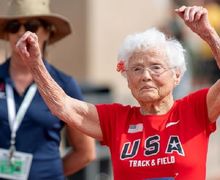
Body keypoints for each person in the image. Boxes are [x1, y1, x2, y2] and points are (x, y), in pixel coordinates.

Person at [16, 5, 220, 180]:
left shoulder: (194, 110)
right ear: (128, 79)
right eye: (137, 69)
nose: (145, 76)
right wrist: (35, 64)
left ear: (177, 75)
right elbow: (63, 106)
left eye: (156, 67)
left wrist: (208, 35)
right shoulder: (116, 120)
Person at [0, 0, 95, 179]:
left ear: (47, 32)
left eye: (31, 26)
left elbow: (85, 152)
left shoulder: (64, 85)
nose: (21, 32)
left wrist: (50, 174)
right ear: (7, 34)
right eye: (14, 26)